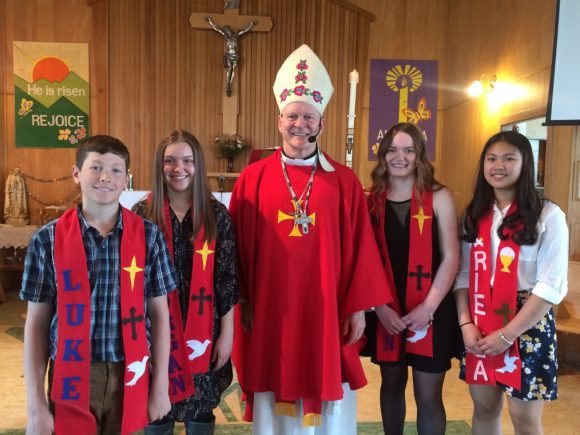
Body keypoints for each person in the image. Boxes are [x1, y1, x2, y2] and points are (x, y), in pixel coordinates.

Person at [229, 44, 393, 435]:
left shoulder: (343, 181)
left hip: (327, 309)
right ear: (279, 121)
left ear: (321, 123)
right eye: (292, 116)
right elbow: (235, 249)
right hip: (270, 307)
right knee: (273, 379)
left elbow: (360, 249)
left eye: (307, 116)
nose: (299, 124)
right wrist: (243, 300)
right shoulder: (252, 179)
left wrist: (357, 308)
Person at [20, 135, 176, 435]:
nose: (106, 177)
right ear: (76, 173)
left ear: (126, 179)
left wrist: (160, 386)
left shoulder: (149, 237)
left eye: (116, 170)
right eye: (95, 167)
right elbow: (36, 323)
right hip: (72, 373)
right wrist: (35, 405)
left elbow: (159, 315)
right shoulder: (47, 239)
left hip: (129, 370)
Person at [454, 131, 568, 434]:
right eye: (491, 159)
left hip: (527, 321)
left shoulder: (548, 215)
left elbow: (550, 286)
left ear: (525, 163)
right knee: (484, 409)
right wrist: (465, 323)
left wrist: (507, 335)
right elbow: (463, 275)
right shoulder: (474, 214)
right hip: (481, 317)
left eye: (508, 159)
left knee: (524, 419)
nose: (498, 166)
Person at [132, 130, 238, 434]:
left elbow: (228, 280)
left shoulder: (217, 216)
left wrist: (227, 334)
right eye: (170, 161)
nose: (179, 168)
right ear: (159, 165)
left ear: (198, 164)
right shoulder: (142, 215)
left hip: (204, 331)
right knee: (157, 407)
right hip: (156, 331)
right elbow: (134, 284)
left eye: (187, 160)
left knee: (200, 407)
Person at [363, 122, 460, 435]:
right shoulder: (371, 200)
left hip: (431, 307)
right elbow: (366, 261)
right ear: (382, 155)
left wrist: (428, 308)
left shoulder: (440, 196)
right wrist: (380, 308)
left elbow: (451, 257)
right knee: (391, 385)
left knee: (428, 394)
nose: (399, 157)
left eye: (408, 150)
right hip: (387, 308)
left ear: (419, 154)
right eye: (392, 150)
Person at [205, 16, 256, 97]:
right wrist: (210, 21)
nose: (228, 31)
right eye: (227, 31)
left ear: (230, 30)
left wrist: (251, 25)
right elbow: (216, 28)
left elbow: (244, 30)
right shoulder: (226, 37)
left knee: (233, 70)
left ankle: (229, 83)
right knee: (230, 68)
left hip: (235, 56)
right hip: (229, 55)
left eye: (229, 30)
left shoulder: (236, 35)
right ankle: (229, 84)